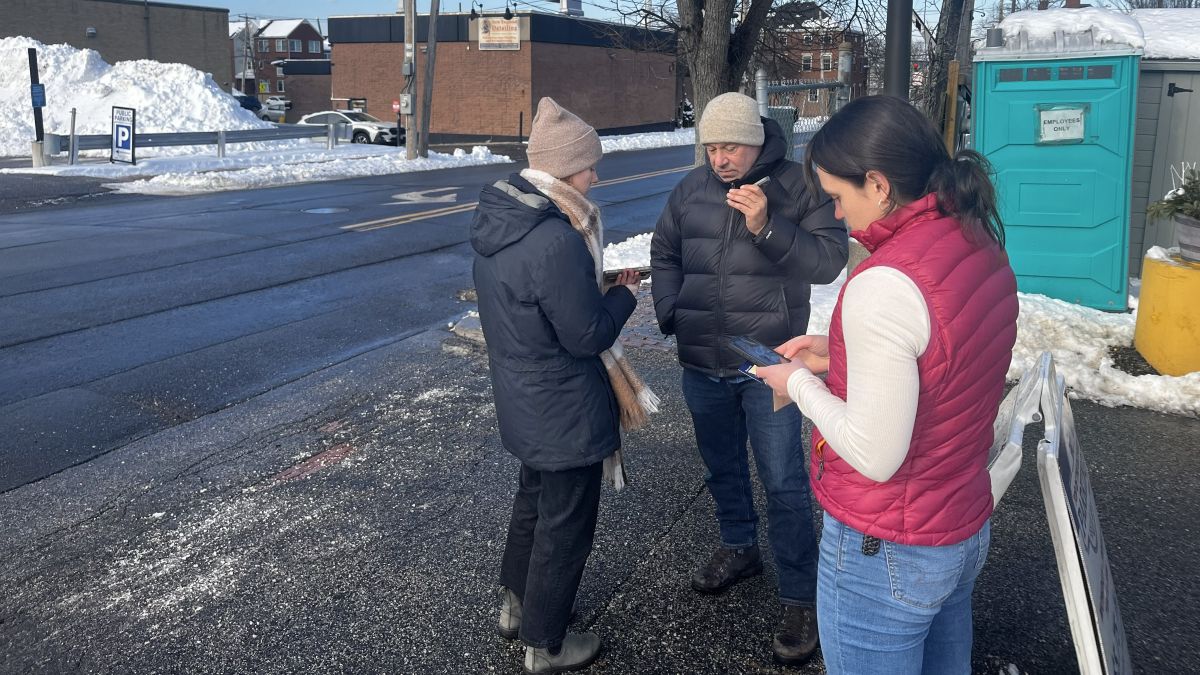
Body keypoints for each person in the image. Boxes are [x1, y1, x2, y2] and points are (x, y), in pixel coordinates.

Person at [757, 95, 1019, 675]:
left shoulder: (886, 281)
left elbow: (876, 455)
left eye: (837, 198)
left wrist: (798, 383)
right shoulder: (975, 240)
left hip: (887, 544)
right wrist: (840, 352)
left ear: (876, 184)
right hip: (958, 523)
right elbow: (944, 361)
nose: (834, 215)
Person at [650, 91, 848, 665]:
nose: (719, 160)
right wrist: (671, 309)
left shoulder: (797, 185)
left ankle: (800, 596)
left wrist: (765, 225)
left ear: (756, 139)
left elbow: (828, 261)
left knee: (784, 481)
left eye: (729, 146)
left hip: (769, 364)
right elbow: (664, 250)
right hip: (701, 361)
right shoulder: (690, 190)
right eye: (711, 148)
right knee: (722, 468)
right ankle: (738, 547)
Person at [471, 97, 655, 674]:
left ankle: (516, 606)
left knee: (534, 502)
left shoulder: (504, 223)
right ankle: (546, 644)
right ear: (562, 169)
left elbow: (534, 309)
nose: (596, 177)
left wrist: (590, 286)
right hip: (565, 405)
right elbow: (585, 335)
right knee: (566, 524)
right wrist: (624, 294)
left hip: (526, 399)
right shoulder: (555, 239)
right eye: (589, 166)